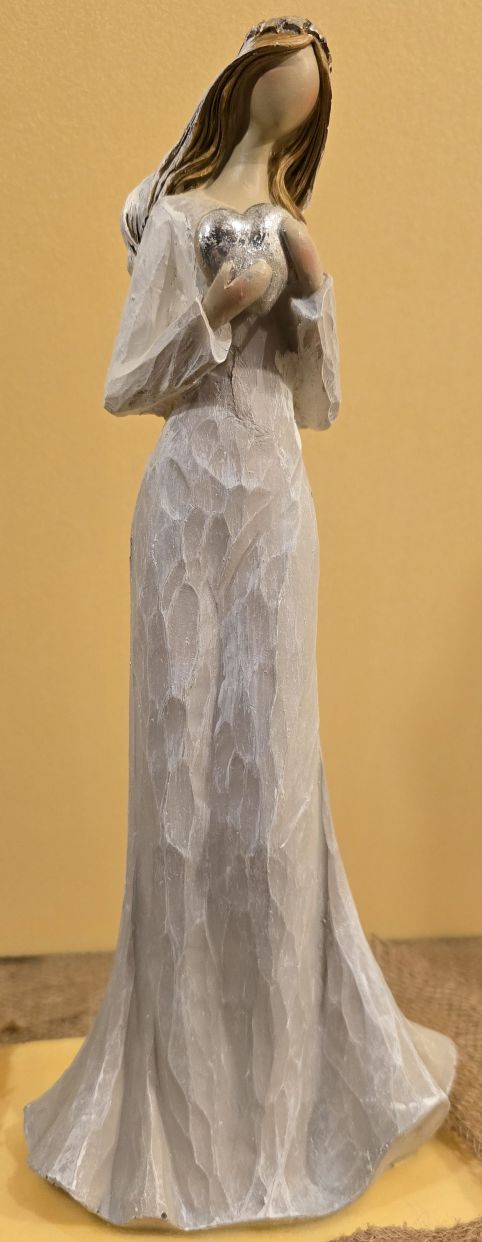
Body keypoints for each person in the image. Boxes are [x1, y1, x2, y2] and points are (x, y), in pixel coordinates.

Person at [23, 16, 458, 1231]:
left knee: (268, 791)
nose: (291, 99)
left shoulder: (287, 224)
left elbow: (319, 405)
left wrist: (312, 295)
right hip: (184, 510)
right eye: (281, 79)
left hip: (272, 506)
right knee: (178, 794)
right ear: (248, 85)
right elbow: (128, 383)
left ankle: (280, 1112)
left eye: (305, 91)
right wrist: (216, 303)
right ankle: (178, 1125)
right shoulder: (170, 221)